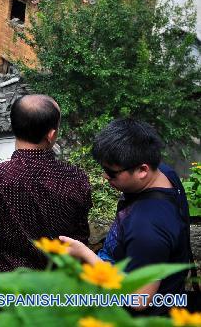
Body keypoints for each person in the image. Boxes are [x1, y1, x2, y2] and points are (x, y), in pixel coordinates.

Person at [61, 119, 190, 315]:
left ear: (142, 170)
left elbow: (139, 299)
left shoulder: (148, 227)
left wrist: (85, 254)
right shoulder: (165, 173)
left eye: (111, 173)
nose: (105, 177)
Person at [0, 94, 91, 273]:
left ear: (14, 126)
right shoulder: (76, 178)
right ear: (51, 134)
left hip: (8, 283)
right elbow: (80, 239)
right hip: (56, 284)